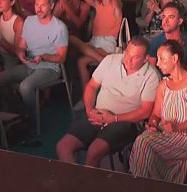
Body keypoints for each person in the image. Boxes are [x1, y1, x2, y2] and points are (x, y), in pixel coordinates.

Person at [57, 36, 160, 166]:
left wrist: (114, 118)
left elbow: (145, 111)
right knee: (63, 146)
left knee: (94, 151)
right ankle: (76, 182)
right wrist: (89, 110)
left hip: (124, 122)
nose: (128, 59)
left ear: (145, 59)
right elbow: (91, 86)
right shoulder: (110, 60)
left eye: (135, 57)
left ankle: (85, 184)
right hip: (97, 114)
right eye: (127, 53)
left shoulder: (151, 75)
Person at [0, 0, 68, 136]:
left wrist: (44, 57)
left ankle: (32, 120)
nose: (39, 8)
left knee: (25, 86)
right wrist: (20, 53)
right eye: (37, 4)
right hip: (29, 64)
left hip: (49, 68)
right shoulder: (30, 21)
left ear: (52, 6)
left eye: (43, 5)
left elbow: (61, 58)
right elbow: (22, 45)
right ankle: (17, 112)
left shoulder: (59, 27)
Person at [129, 39, 187, 183]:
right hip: (166, 134)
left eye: (162, 59)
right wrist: (153, 124)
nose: (158, 63)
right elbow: (155, 115)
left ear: (175, 58)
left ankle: (138, 185)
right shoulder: (163, 85)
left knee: (143, 142)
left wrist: (177, 127)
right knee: (144, 140)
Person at [70, 0, 123, 87]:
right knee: (71, 38)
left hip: (106, 44)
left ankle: (86, 94)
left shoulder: (116, 7)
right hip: (93, 42)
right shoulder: (97, 4)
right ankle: (103, 60)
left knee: (82, 61)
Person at [147, 2, 187, 73]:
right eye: (164, 17)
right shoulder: (155, 42)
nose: (165, 21)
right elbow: (151, 72)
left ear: (180, 21)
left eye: (171, 17)